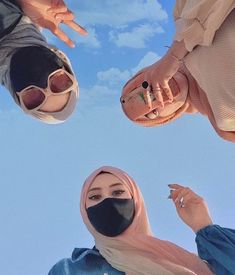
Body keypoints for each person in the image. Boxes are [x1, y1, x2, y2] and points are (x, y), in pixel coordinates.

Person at [48, 166, 235, 275]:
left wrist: (204, 227)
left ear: (136, 202)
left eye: (118, 192)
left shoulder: (182, 261)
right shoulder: (73, 270)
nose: (108, 201)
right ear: (84, 210)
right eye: (95, 197)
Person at [121, 1, 235, 142]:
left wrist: (174, 55)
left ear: (147, 72)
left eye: (145, 88)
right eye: (153, 113)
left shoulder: (184, 15)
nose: (156, 98)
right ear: (171, 115)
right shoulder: (226, 122)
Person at [0, 0, 87, 123]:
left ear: (17, 96)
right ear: (64, 64)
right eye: (59, 84)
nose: (43, 83)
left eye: (35, 98)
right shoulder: (38, 9)